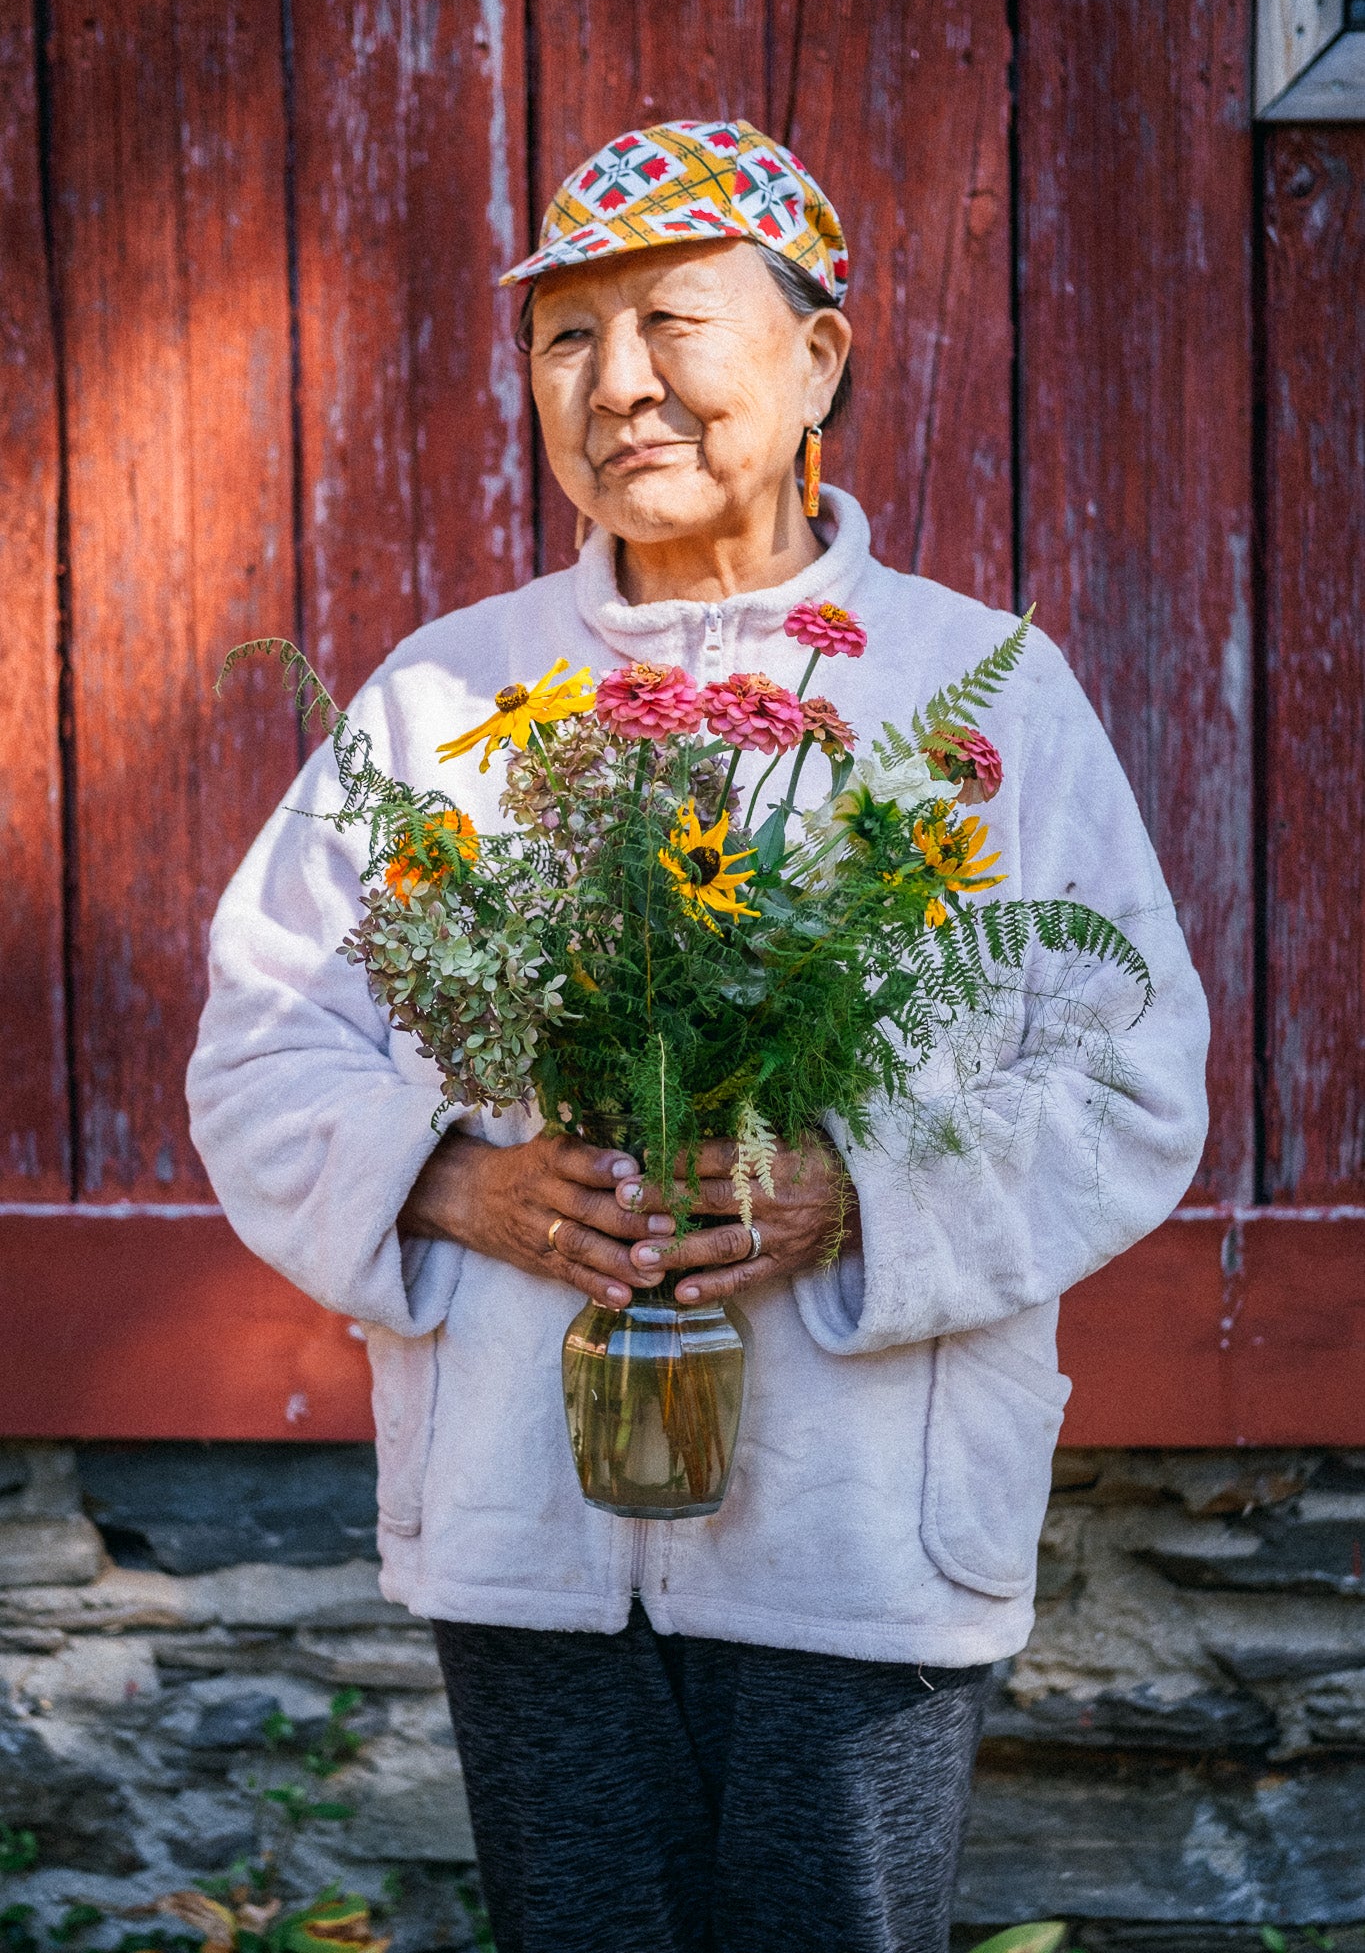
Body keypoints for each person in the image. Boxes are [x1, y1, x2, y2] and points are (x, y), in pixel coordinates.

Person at [188, 121, 1208, 1952]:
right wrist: (451, 1185)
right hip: (530, 1506)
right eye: (567, 338)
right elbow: (264, 1043)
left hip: (861, 1516)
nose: (620, 382)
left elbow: (1130, 1078)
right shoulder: (448, 691)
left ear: (818, 356)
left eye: (673, 319)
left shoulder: (968, 687)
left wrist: (854, 1195)